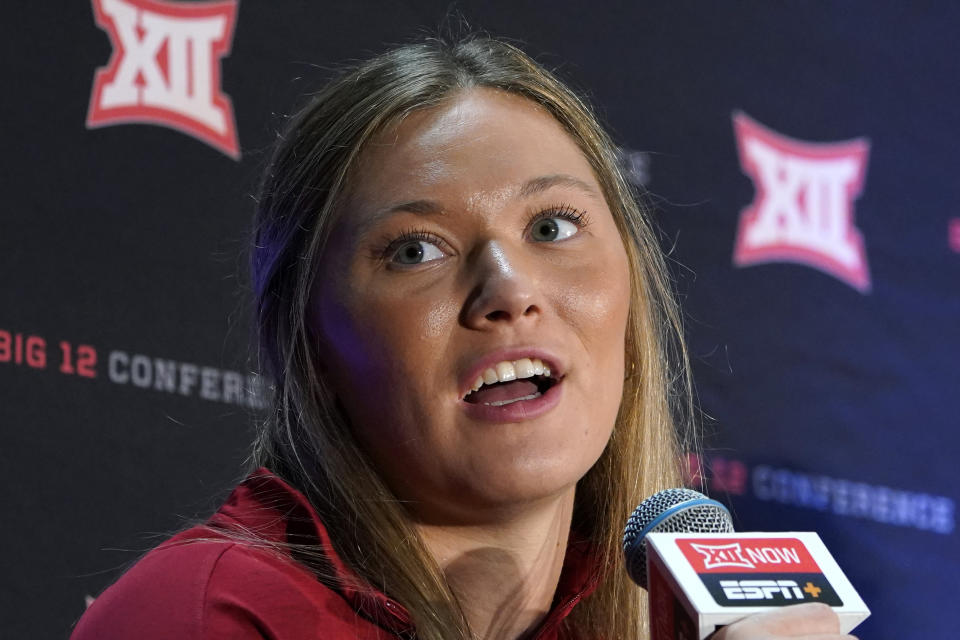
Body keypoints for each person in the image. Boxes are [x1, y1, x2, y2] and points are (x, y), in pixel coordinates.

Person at [72, 35, 856, 640]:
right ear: (310, 347)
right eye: (415, 250)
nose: (509, 290)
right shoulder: (206, 614)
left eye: (551, 225)